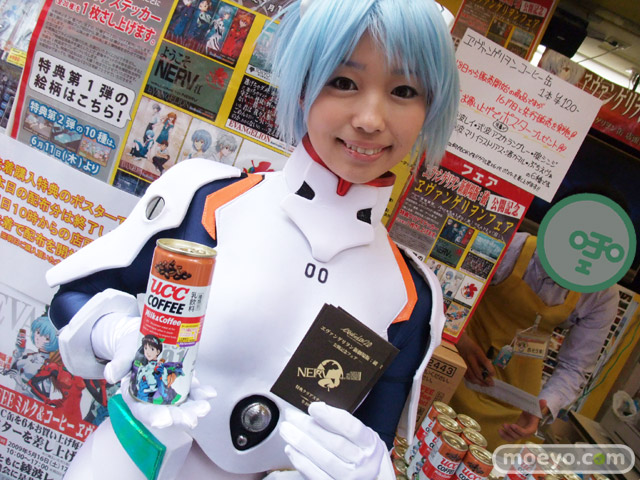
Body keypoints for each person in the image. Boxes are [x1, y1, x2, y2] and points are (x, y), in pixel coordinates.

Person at [46, 0, 459, 478]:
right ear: (303, 86)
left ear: (429, 108)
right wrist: (118, 334)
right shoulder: (206, 200)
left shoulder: (411, 296)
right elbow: (73, 296)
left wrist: (370, 469)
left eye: (404, 91)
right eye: (343, 82)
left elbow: (373, 435)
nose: (370, 119)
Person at [450, 231, 618, 450]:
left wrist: (542, 407)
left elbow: (575, 367)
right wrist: (459, 339)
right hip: (457, 363)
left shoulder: (602, 294)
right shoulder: (508, 246)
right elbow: (445, 291)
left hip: (514, 401)